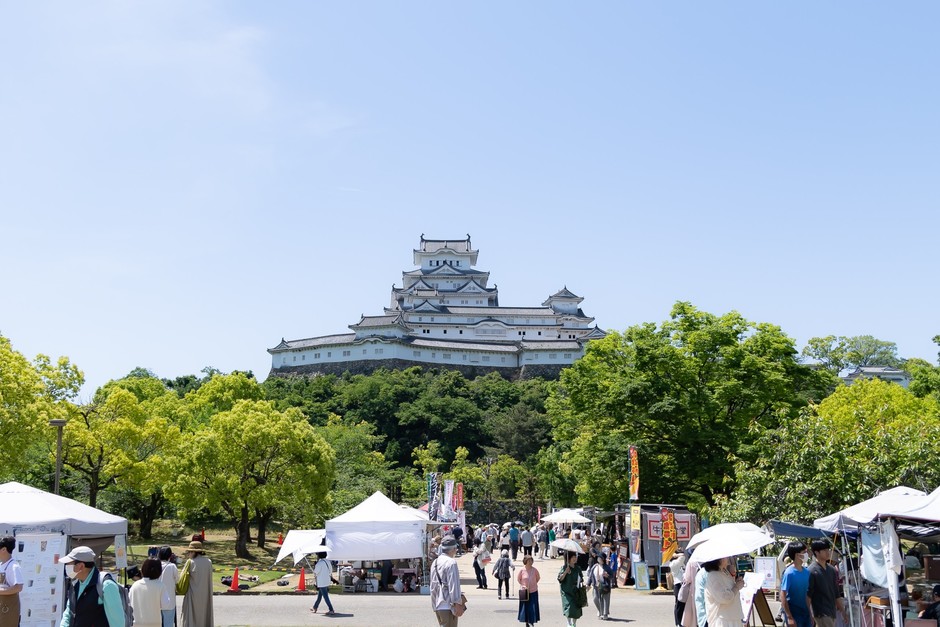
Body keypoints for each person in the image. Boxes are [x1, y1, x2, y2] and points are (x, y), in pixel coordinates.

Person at [59, 545, 126, 627]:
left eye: (69, 563)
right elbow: (69, 612)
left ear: (81, 566)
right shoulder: (75, 584)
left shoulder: (106, 585)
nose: (66, 566)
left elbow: (118, 623)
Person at [807, 539, 846, 627]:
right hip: (820, 612)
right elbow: (808, 595)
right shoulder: (811, 571)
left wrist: (843, 611)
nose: (828, 552)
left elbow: (836, 593)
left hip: (832, 611)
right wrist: (808, 613)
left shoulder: (832, 569)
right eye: (824, 550)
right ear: (816, 552)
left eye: (828, 549)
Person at [430, 536, 464, 627]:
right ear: (453, 549)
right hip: (448, 605)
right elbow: (453, 585)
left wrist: (434, 604)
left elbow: (433, 586)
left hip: (438, 604)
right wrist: (457, 603)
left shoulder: (435, 562)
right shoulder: (451, 562)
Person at [180, 540, 213, 627]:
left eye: (189, 552)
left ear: (193, 552)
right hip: (205, 595)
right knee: (204, 617)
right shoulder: (208, 562)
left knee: (191, 617)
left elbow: (182, 578)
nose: (188, 554)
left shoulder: (190, 562)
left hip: (192, 594)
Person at [703, 557, 744, 627]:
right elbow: (724, 598)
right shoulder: (713, 576)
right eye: (725, 557)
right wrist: (737, 587)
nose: (727, 558)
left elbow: (729, 589)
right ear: (719, 559)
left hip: (730, 617)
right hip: (723, 620)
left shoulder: (723, 572)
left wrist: (736, 583)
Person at [780, 542, 812, 627]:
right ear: (797, 555)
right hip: (794, 613)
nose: (806, 554)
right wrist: (789, 617)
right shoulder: (789, 573)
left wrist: (810, 613)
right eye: (804, 552)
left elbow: (807, 594)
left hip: (806, 613)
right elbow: (783, 595)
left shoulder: (807, 572)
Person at [129, 558, 164, 627]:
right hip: (155, 623)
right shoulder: (160, 585)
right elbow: (166, 604)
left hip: (137, 622)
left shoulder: (135, 585)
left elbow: (129, 602)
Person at [0, 536, 23, 627]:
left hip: (9, 609)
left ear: (4, 549)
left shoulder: (13, 566)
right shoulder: (1, 565)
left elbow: (18, 587)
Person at [558, 551, 584, 626]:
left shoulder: (578, 568)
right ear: (568, 558)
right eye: (573, 557)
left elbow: (581, 579)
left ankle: (574, 623)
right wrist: (565, 572)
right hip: (567, 591)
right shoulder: (564, 568)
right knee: (569, 607)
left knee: (576, 609)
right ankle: (568, 622)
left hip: (576, 591)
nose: (575, 559)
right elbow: (560, 579)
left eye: (575, 557)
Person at [517, 555, 541, 626]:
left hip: (533, 591)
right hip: (524, 591)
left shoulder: (534, 570)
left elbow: (538, 578)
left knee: (532, 607)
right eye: (529, 561)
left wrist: (533, 584)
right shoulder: (522, 570)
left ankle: (531, 621)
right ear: (525, 561)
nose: (530, 562)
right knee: (525, 607)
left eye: (531, 560)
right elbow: (519, 579)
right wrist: (523, 585)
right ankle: (526, 621)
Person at [157, 546, 178, 627]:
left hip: (157, 600)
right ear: (170, 556)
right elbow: (177, 580)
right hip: (169, 601)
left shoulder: (156, 565)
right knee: (168, 624)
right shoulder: (172, 566)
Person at [590, 553, 613, 620]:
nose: (598, 559)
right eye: (598, 558)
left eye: (600, 558)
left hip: (604, 585)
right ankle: (600, 610)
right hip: (596, 585)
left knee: (605, 600)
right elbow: (591, 576)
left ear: (603, 559)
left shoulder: (607, 567)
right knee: (595, 599)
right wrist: (588, 584)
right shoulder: (595, 566)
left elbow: (612, 576)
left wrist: (607, 576)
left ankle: (605, 614)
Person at [670, 551, 688, 627]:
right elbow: (683, 556)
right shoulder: (673, 563)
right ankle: (678, 623)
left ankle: (682, 622)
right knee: (679, 605)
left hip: (683, 584)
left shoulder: (681, 563)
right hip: (678, 585)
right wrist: (676, 555)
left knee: (683, 605)